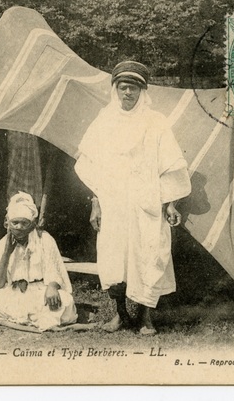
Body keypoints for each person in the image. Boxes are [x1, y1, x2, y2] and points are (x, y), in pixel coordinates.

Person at [74, 61, 191, 334]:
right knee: (114, 257)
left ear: (142, 91)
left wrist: (170, 203)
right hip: (113, 201)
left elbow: (170, 164)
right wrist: (96, 203)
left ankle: (146, 316)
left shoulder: (156, 121)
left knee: (149, 254)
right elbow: (92, 166)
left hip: (146, 199)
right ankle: (120, 314)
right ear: (115, 89)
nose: (128, 93)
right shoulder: (104, 120)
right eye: (123, 87)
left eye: (134, 88)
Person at [0, 192, 78, 331]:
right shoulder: (4, 243)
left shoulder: (44, 239)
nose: (19, 227)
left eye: (24, 223)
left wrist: (52, 287)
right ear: (7, 224)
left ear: (32, 225)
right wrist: (7, 253)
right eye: (15, 223)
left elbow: (54, 268)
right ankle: (30, 317)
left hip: (39, 292)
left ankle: (24, 316)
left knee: (65, 300)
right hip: (13, 293)